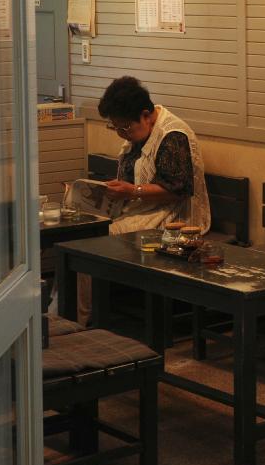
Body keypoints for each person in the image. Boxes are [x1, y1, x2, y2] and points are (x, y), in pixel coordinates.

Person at [76, 76, 210, 323]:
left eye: (125, 128)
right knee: (77, 232)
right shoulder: (137, 136)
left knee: (89, 245)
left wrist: (132, 191)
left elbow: (179, 190)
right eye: (115, 128)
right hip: (138, 209)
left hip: (174, 219)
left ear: (146, 115)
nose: (122, 135)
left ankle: (82, 319)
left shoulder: (173, 135)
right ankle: (69, 311)